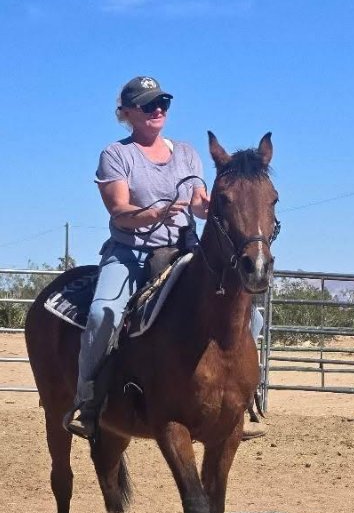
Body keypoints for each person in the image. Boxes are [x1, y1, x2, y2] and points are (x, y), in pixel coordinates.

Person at [65, 75, 265, 441]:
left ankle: (242, 404)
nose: (158, 110)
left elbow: (200, 202)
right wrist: (155, 213)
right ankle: (87, 400)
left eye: (163, 103)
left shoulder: (187, 153)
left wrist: (222, 202)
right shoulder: (116, 155)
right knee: (102, 314)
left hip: (184, 251)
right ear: (126, 113)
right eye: (147, 104)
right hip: (131, 253)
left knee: (253, 317)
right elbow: (118, 210)